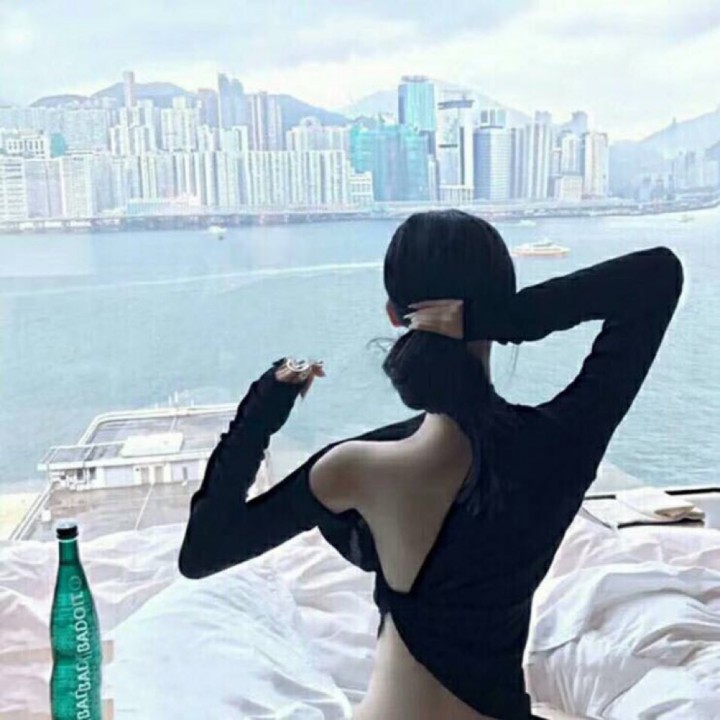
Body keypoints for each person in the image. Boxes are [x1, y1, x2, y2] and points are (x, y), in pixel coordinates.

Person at [178, 209, 684, 720]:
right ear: (499, 307)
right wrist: (505, 318)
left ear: (394, 316)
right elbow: (657, 276)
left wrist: (265, 402)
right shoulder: (563, 445)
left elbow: (203, 551)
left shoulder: (355, 468)